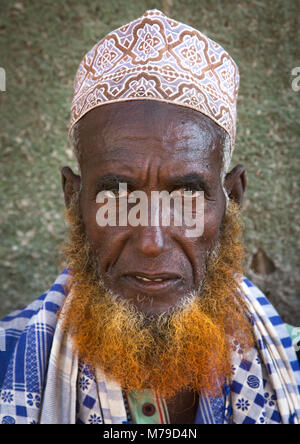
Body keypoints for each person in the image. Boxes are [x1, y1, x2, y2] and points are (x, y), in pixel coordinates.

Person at [0, 9, 299, 425]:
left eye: (187, 196)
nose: (152, 241)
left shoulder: (292, 362)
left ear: (232, 197)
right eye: (118, 196)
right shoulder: (6, 362)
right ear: (73, 198)